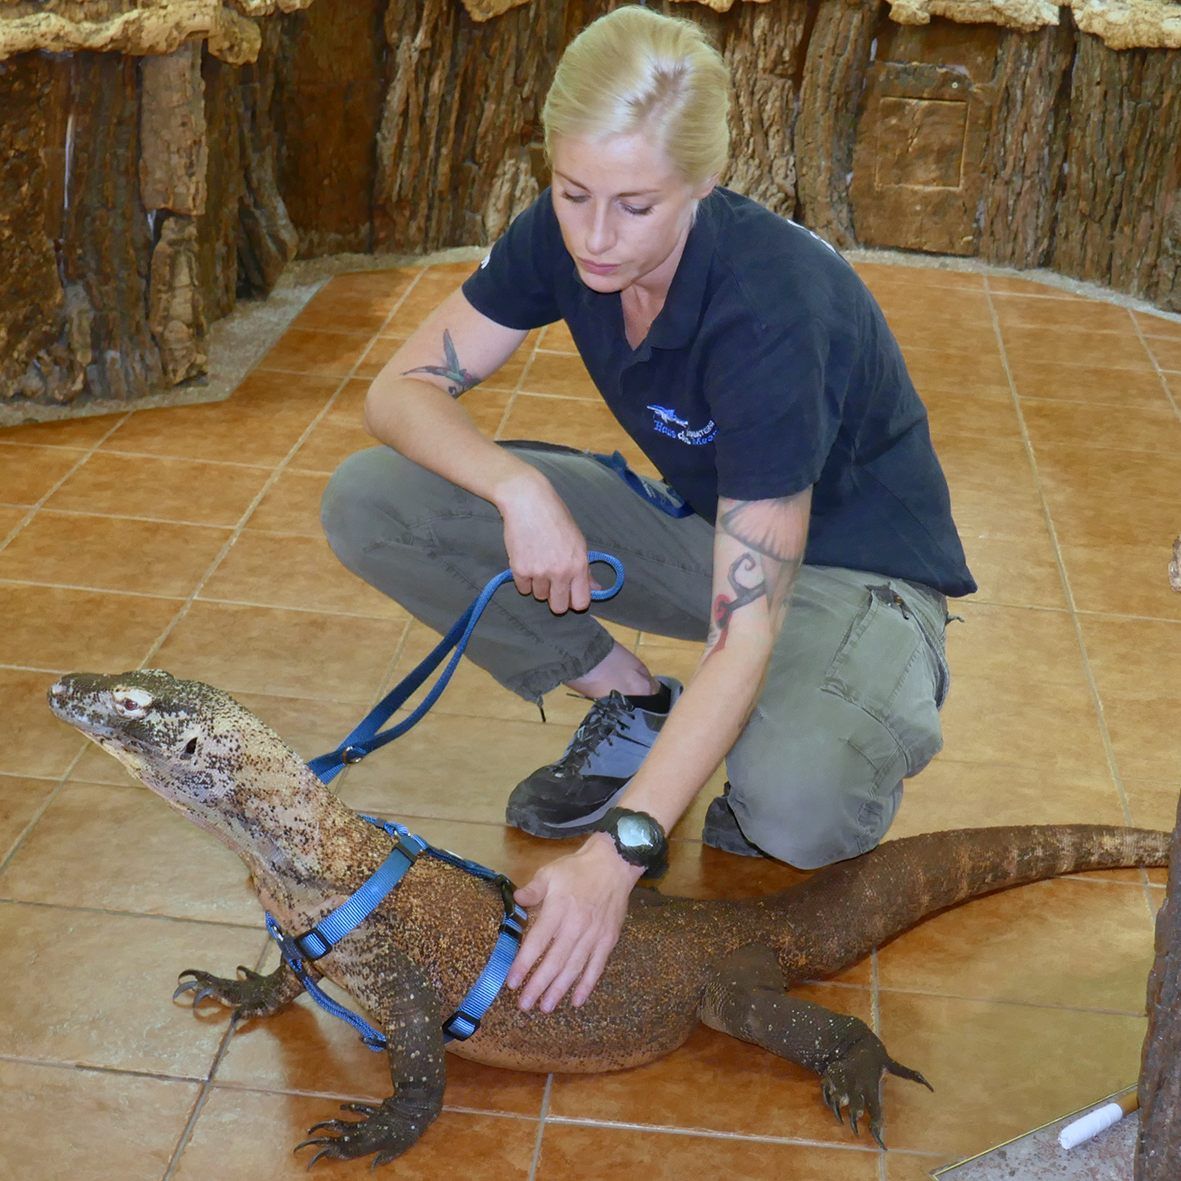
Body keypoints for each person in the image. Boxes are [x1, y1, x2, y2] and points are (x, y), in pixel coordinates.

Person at [321, 5, 975, 1018]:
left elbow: (744, 628)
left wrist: (618, 852)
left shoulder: (771, 307)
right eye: (571, 191)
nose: (592, 234)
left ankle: (812, 717)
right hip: (707, 527)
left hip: (858, 575)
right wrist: (517, 487)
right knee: (373, 500)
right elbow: (396, 390)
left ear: (703, 184)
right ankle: (634, 705)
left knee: (791, 803)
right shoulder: (565, 234)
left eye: (632, 206)